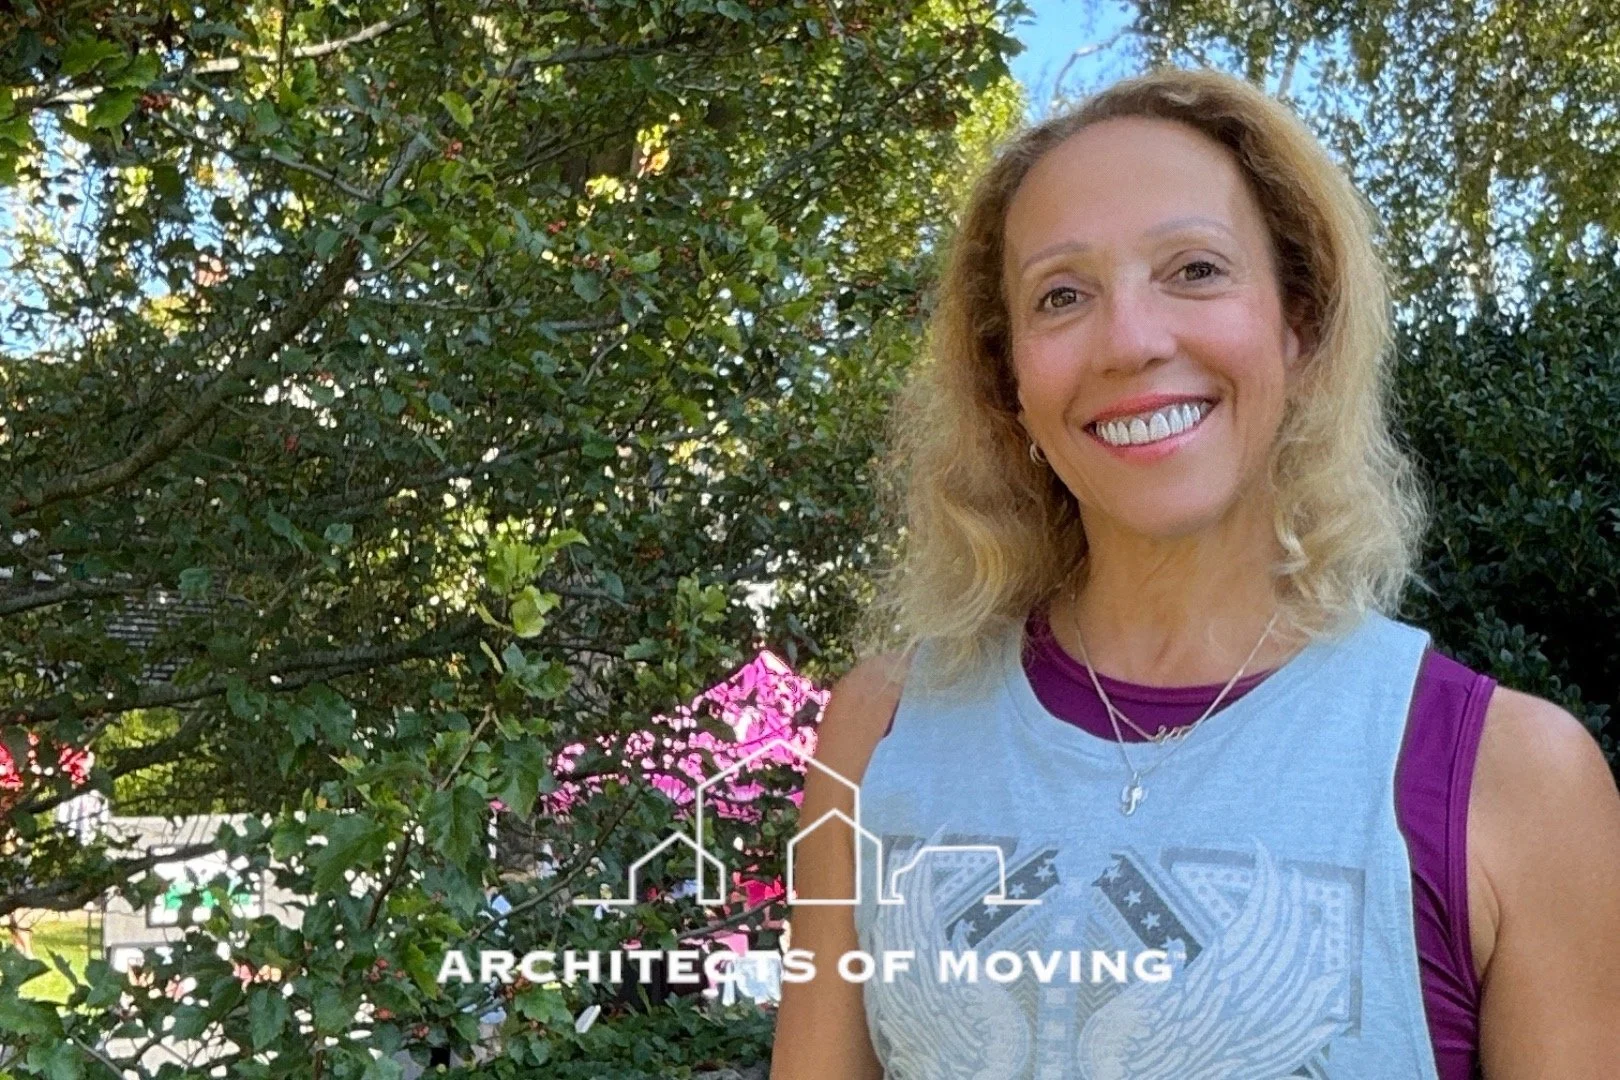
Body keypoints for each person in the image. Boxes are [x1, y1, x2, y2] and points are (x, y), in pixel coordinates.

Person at [771, 66, 1620, 1079]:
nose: (1131, 339)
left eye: (1196, 270)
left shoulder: (1510, 779)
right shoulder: (879, 735)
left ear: (1297, 326)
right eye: (1063, 295)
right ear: (1010, 382)